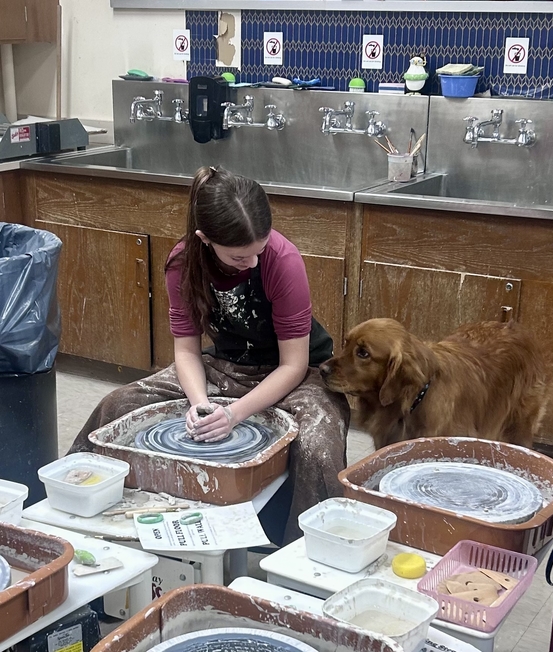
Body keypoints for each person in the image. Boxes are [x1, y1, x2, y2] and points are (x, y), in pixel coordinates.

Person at [70, 165, 350, 544]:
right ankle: (76, 520)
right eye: (239, 257)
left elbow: (294, 364)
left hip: (299, 372)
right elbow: (186, 351)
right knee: (117, 405)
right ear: (205, 239)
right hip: (225, 365)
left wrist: (234, 414)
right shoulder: (183, 263)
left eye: (259, 251)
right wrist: (200, 404)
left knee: (318, 444)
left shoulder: (282, 260)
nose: (252, 262)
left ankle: (312, 552)